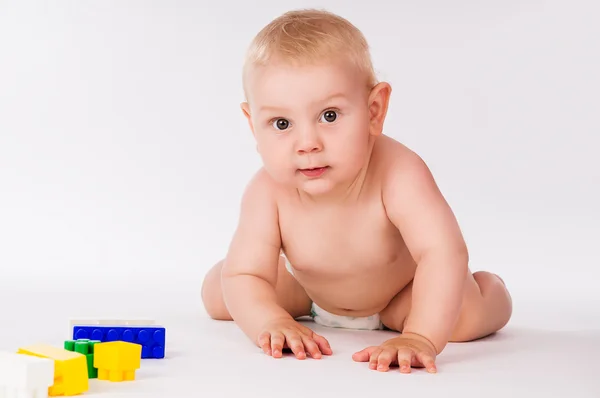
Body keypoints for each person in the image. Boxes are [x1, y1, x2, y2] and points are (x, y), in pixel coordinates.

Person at [201, 8, 512, 373]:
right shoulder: (267, 191)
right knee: (222, 291)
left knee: (462, 318)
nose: (307, 143)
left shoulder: (399, 173)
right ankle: (273, 305)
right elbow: (247, 276)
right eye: (281, 123)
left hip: (399, 297)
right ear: (254, 127)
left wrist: (420, 336)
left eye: (329, 115)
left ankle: (491, 292)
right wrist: (272, 322)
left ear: (374, 110)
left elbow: (441, 252)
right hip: (311, 293)